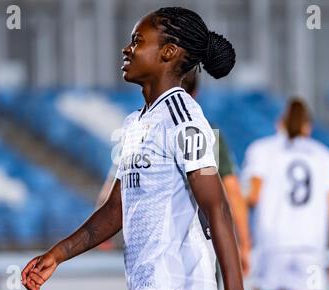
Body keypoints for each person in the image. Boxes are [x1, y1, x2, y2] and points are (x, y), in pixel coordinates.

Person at [22, 7, 246, 290]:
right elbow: (116, 210)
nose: (126, 48)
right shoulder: (134, 124)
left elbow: (217, 206)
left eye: (138, 41)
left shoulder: (185, 119)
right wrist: (59, 254)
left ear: (168, 52)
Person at [96, 71, 251, 273]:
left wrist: (102, 232)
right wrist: (244, 243)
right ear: (195, 93)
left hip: (151, 252)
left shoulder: (139, 129)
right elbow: (232, 192)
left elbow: (113, 187)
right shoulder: (203, 131)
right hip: (197, 253)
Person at [241, 97, 329, 290]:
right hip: (310, 248)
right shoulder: (324, 155)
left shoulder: (261, 149)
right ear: (308, 127)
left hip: (272, 245)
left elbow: (252, 196)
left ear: (280, 124)